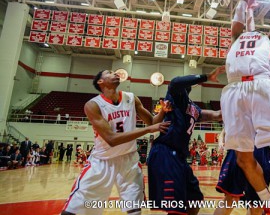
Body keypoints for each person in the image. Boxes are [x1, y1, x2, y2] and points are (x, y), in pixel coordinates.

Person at [221, 0, 270, 215]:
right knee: (243, 158)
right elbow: (237, 20)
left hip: (262, 86)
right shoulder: (236, 38)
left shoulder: (269, 41)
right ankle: (268, 200)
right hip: (234, 90)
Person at [61, 70, 170, 215]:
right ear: (100, 82)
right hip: (102, 161)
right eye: (110, 72)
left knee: (134, 210)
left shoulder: (131, 98)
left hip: (129, 160)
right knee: (73, 211)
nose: (115, 74)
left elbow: (151, 121)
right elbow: (112, 139)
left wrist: (162, 111)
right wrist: (148, 130)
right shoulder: (93, 105)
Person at [148, 67, 225, 215]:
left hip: (180, 157)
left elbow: (217, 115)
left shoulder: (194, 108)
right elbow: (176, 82)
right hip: (166, 152)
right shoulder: (175, 97)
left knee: (194, 199)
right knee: (176, 207)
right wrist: (206, 76)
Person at [215, 89, 270, 215]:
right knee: (239, 201)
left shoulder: (248, 88)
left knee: (248, 202)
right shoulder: (244, 90)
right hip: (243, 146)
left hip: (254, 147)